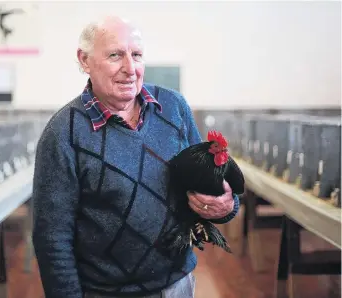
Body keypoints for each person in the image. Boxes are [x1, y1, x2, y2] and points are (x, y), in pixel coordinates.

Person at [32, 16, 240, 298]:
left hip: (179, 285)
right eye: (115, 55)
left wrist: (226, 205)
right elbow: (52, 237)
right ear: (84, 60)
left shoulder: (173, 107)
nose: (130, 69)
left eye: (137, 55)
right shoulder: (63, 133)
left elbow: (209, 180)